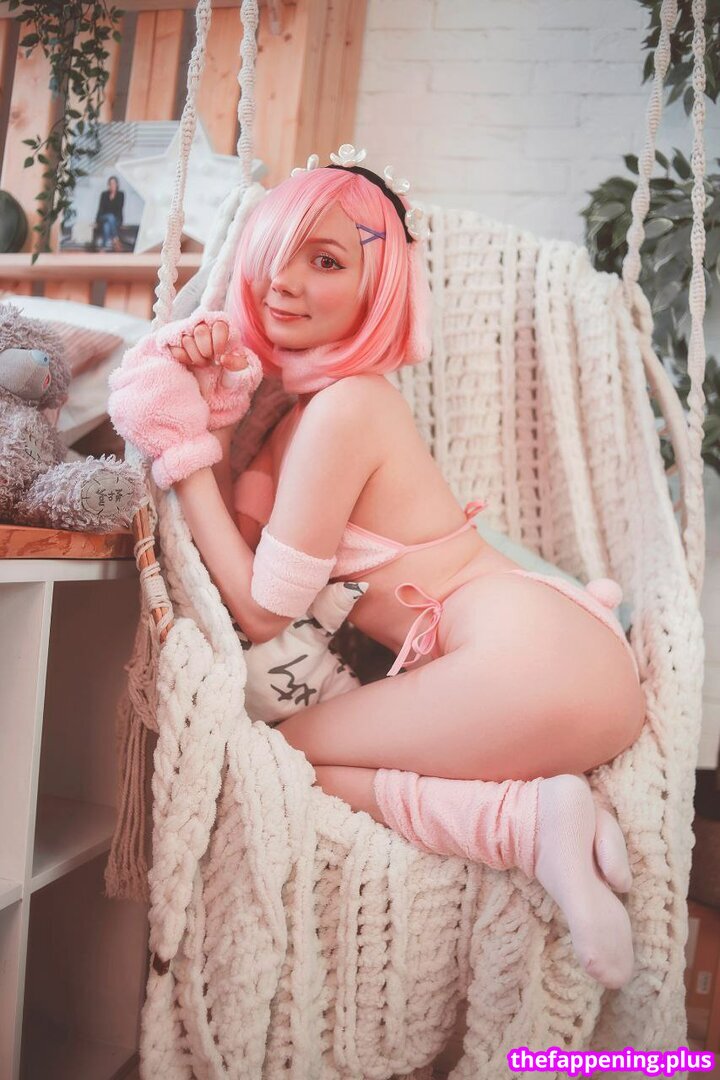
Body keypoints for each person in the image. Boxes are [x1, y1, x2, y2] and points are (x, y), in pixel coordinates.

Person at [107, 145, 646, 991]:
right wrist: (217, 405)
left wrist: (181, 452)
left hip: (533, 654)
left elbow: (260, 612)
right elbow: (234, 561)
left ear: (378, 289)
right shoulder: (298, 419)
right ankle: (549, 816)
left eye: (326, 261)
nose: (285, 281)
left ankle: (524, 824)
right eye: (276, 253)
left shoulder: (349, 407)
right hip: (560, 658)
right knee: (290, 752)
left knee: (281, 757)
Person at [95, 176, 125, 252]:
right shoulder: (104, 194)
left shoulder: (121, 195)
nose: (112, 185)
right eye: (110, 183)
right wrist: (97, 220)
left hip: (116, 219)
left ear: (117, 184)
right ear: (108, 185)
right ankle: (115, 239)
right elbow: (101, 208)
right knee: (110, 217)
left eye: (114, 183)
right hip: (103, 217)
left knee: (107, 225)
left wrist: (113, 195)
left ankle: (103, 247)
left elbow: (119, 208)